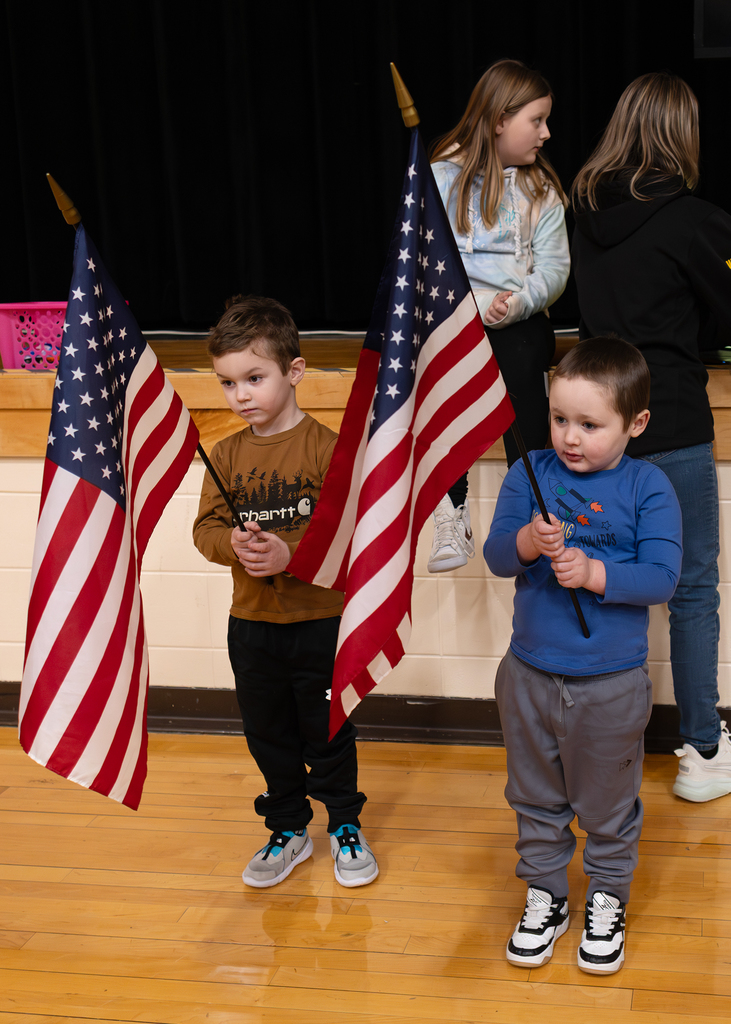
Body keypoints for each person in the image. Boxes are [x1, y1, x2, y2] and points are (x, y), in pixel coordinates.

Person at [484, 337, 681, 974]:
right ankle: (545, 891)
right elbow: (495, 558)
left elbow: (661, 579)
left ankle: (606, 895)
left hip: (611, 684)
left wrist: (595, 572)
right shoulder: (529, 473)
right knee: (534, 794)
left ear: (636, 423)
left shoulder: (650, 486)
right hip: (529, 673)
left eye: (591, 425)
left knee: (606, 802)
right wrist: (527, 542)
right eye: (560, 419)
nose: (570, 437)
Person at [571, 72, 731, 802]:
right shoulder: (695, 219)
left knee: (610, 591)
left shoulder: (578, 209)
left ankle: (604, 753)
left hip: (600, 429)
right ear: (681, 133)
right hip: (668, 419)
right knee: (691, 590)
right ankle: (701, 751)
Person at [192, 295, 378, 889]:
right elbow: (205, 530)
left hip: (318, 620)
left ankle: (344, 824)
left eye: (254, 378)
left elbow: (349, 534)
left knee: (325, 730)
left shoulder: (328, 451)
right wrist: (235, 549)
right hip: (251, 624)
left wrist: (290, 555)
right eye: (227, 383)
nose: (240, 395)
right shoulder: (224, 453)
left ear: (293, 372)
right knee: (266, 731)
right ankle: (290, 828)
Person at [427, 58, 570, 573]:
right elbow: (425, 256)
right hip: (455, 319)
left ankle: (532, 509)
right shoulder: (440, 178)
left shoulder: (541, 191)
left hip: (517, 322)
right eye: (537, 120)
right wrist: (463, 308)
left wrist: (519, 302)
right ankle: (451, 511)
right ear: (497, 120)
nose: (546, 133)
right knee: (438, 374)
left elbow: (555, 267)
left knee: (522, 365)